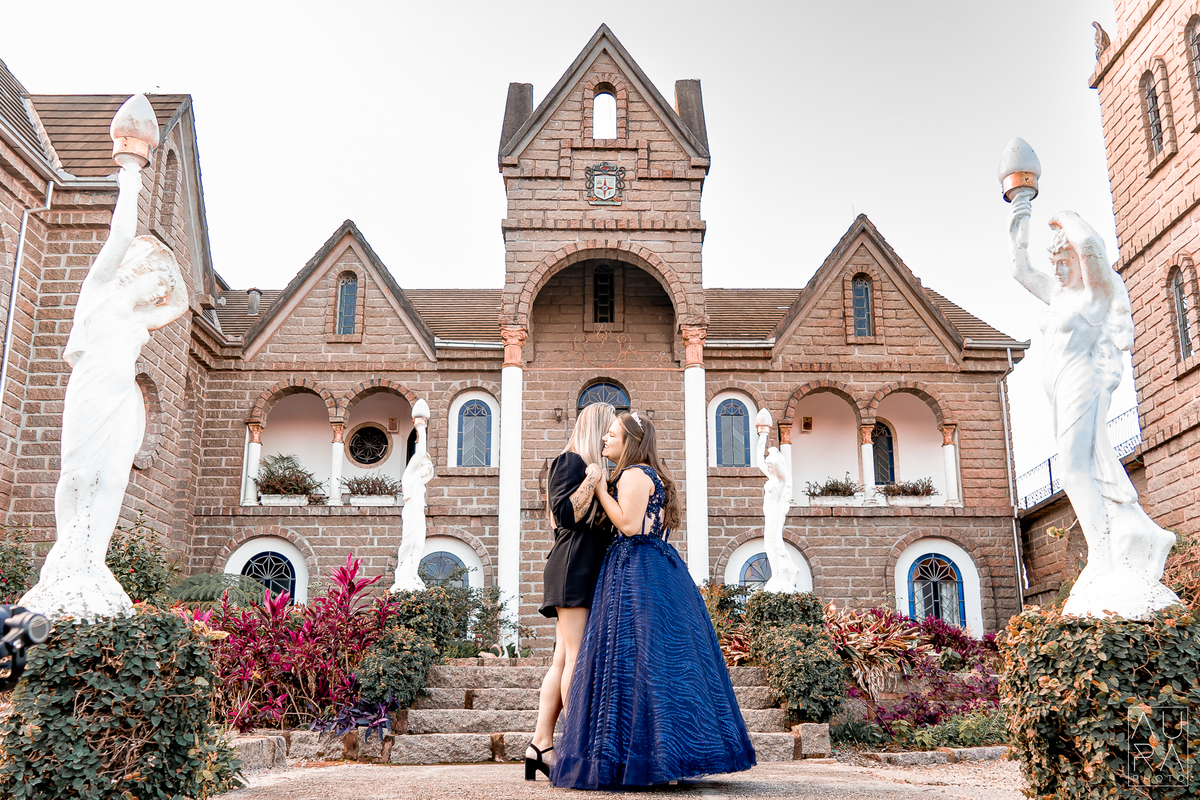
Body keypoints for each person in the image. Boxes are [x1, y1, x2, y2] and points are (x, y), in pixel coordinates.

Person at [552, 411, 755, 789]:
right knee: (660, 662)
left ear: (630, 441)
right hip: (662, 567)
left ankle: (643, 759)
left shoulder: (631, 474)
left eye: (611, 435)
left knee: (631, 662)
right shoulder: (654, 475)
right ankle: (667, 757)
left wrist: (597, 489)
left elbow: (628, 525)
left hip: (635, 569)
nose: (605, 441)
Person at [21, 160, 188, 619]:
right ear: (136, 271)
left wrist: (169, 266)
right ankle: (66, 555)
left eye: (163, 288)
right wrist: (132, 171)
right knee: (77, 475)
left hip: (122, 400)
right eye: (158, 282)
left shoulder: (140, 320)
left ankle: (93, 557)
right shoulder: (100, 293)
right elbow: (119, 236)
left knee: (113, 479)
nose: (160, 294)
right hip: (91, 390)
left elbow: (182, 304)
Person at [1007, 198, 1177, 616]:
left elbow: (1091, 248)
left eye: (1067, 261)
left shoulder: (1093, 298)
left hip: (1083, 383)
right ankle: (1123, 543)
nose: (1061, 269)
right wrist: (1020, 218)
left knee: (1072, 469)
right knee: (1077, 468)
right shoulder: (1058, 296)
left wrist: (1065, 217)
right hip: (1059, 388)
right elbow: (1020, 270)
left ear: (1081, 263)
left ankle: (1102, 553)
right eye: (1056, 262)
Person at [525, 402, 616, 780]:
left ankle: (540, 744)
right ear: (597, 430)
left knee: (563, 659)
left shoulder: (590, 468)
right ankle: (574, 743)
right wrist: (593, 479)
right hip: (572, 566)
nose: (614, 437)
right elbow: (564, 515)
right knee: (575, 656)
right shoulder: (571, 461)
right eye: (610, 430)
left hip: (580, 566)